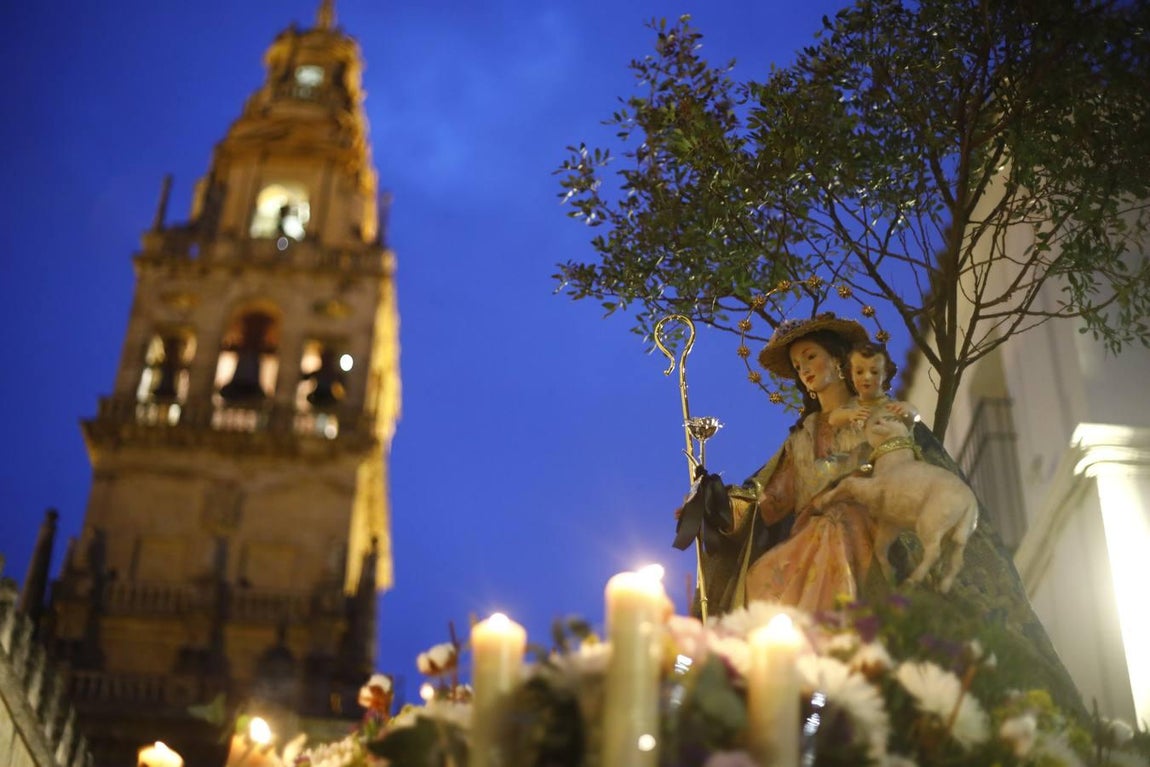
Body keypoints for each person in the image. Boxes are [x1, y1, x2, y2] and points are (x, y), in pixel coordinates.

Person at [691, 313, 1085, 715]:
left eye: (811, 357)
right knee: (760, 579)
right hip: (805, 548)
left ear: (840, 360)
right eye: (797, 366)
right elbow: (769, 502)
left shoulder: (880, 416)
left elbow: (913, 475)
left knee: (846, 533)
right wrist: (716, 504)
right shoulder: (802, 438)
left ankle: (855, 660)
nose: (804, 370)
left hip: (866, 535)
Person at [827, 340, 918, 431]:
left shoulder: (892, 407)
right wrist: (850, 414)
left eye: (874, 372)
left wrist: (908, 411)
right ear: (851, 375)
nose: (867, 377)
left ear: (885, 374)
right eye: (859, 372)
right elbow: (833, 419)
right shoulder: (851, 406)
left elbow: (913, 414)